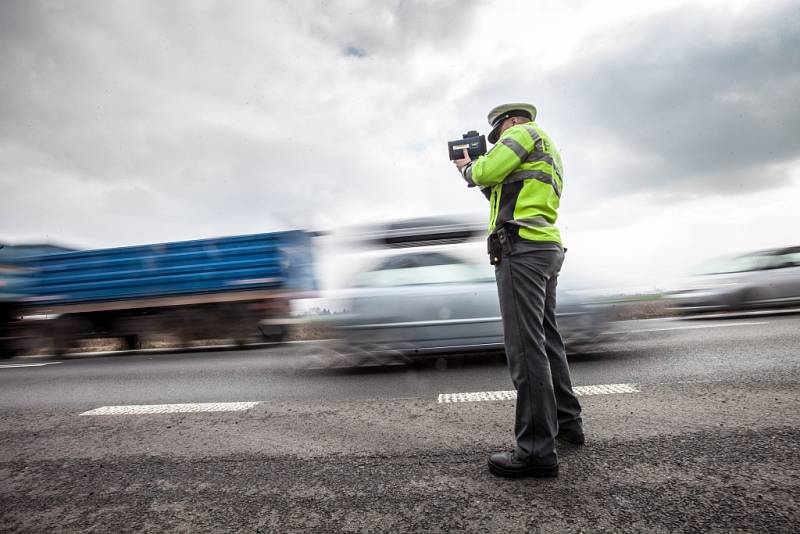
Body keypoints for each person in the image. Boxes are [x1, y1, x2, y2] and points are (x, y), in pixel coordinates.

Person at [453, 103, 583, 478]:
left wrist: (467, 168)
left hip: (521, 249)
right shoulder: (548, 148)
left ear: (508, 122)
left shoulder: (522, 133)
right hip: (544, 246)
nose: (496, 144)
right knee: (547, 340)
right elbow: (498, 189)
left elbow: (486, 171)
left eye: (496, 137)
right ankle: (568, 422)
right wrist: (478, 176)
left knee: (526, 349)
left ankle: (536, 451)